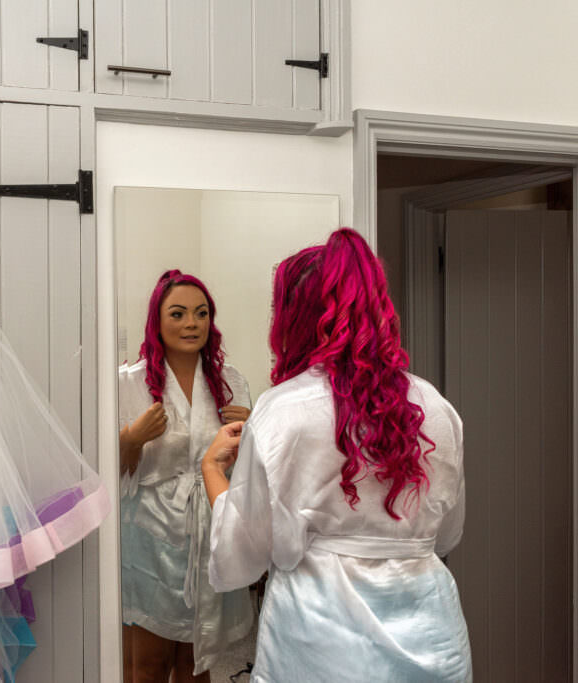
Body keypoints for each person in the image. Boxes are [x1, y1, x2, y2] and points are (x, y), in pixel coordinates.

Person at [202, 228, 471, 682]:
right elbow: (447, 536)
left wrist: (212, 469)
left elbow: (241, 554)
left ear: (297, 317)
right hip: (432, 636)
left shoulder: (283, 411)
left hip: (320, 641)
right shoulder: (436, 408)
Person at [118, 269, 255, 683]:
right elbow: (109, 471)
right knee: (149, 664)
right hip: (148, 533)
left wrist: (252, 432)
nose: (191, 324)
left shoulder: (230, 382)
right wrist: (130, 438)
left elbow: (248, 469)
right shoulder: (130, 383)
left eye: (201, 313)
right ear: (156, 321)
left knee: (199, 662)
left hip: (207, 529)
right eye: (177, 314)